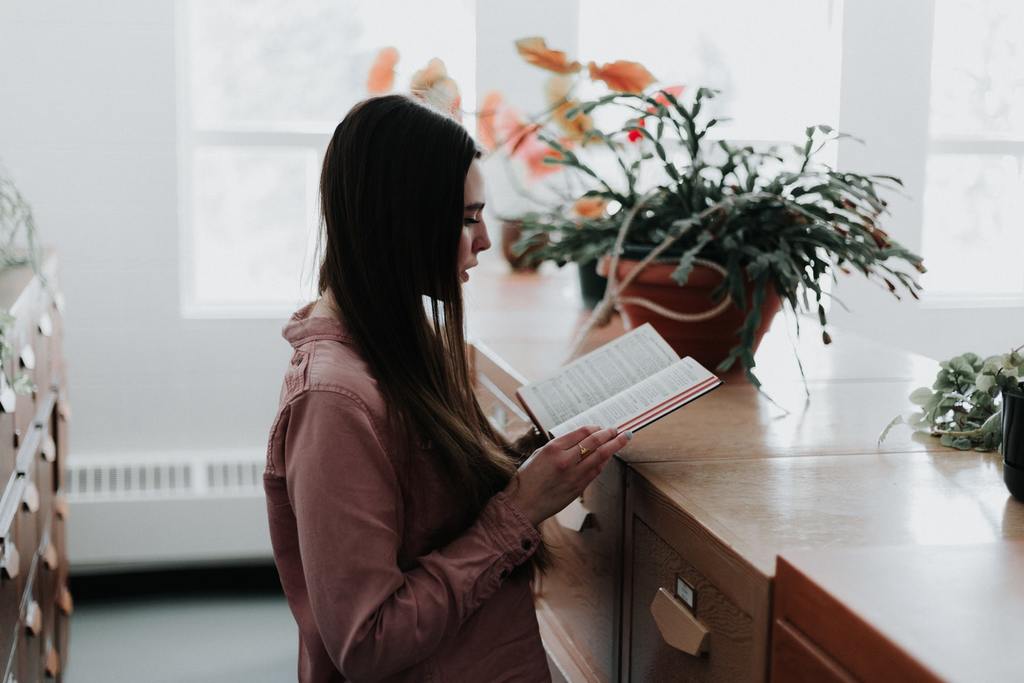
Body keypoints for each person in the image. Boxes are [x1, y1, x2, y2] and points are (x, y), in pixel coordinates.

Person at [263, 94, 632, 683]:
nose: (484, 240)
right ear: (397, 220)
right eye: (465, 219)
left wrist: (519, 456)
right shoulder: (333, 402)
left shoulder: (395, 346)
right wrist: (519, 510)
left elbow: (425, 512)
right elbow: (368, 643)